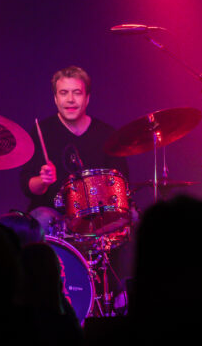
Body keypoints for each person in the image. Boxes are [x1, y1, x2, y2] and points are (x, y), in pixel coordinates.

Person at [20, 66, 129, 231]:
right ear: (56, 99)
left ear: (87, 98)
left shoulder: (107, 134)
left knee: (131, 218)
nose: (70, 99)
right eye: (63, 93)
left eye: (77, 93)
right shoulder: (41, 131)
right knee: (40, 219)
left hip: (98, 216)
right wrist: (43, 181)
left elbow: (121, 182)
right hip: (54, 215)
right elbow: (28, 187)